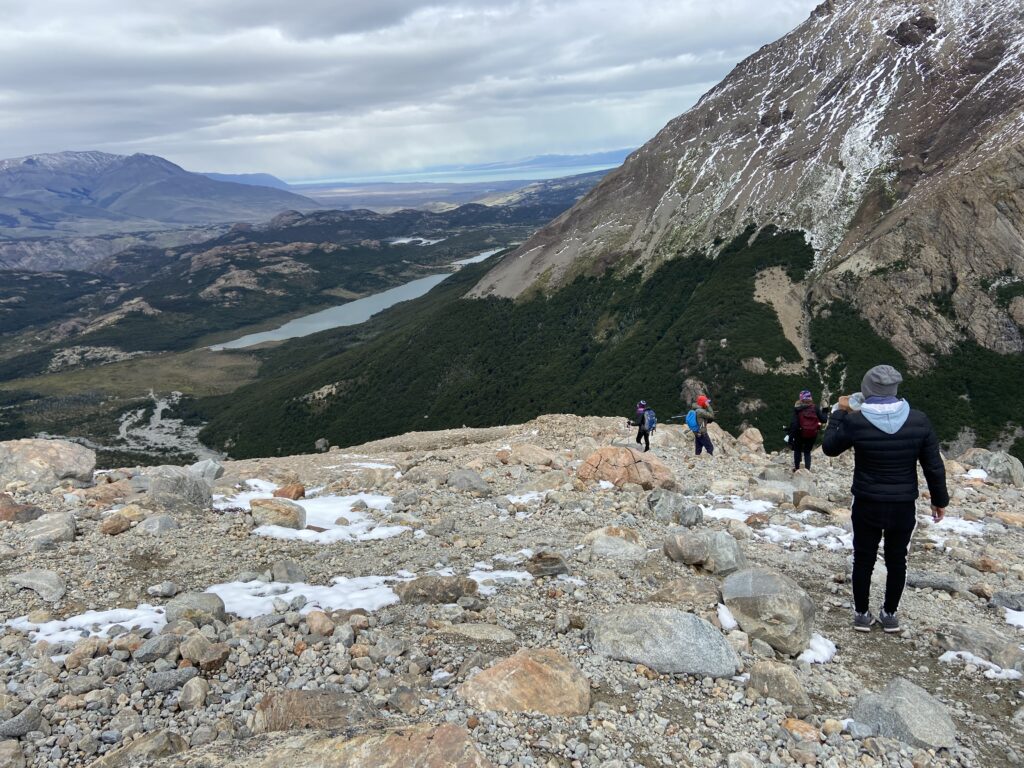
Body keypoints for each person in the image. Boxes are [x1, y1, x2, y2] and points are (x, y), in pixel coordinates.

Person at [822, 364, 948, 634]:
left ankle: (861, 614)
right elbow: (934, 465)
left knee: (863, 559)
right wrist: (940, 499)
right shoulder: (919, 420)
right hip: (903, 504)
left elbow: (830, 448)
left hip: (867, 501)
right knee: (897, 559)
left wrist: (837, 414)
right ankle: (890, 614)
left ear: (867, 390)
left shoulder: (856, 422)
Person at [788, 389, 827, 471]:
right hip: (812, 433)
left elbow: (794, 424)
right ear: (810, 398)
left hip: (799, 433)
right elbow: (824, 420)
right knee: (807, 452)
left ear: (801, 398)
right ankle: (807, 470)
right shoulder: (815, 408)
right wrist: (825, 409)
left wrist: (790, 438)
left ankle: (797, 468)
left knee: (797, 450)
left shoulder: (797, 409)